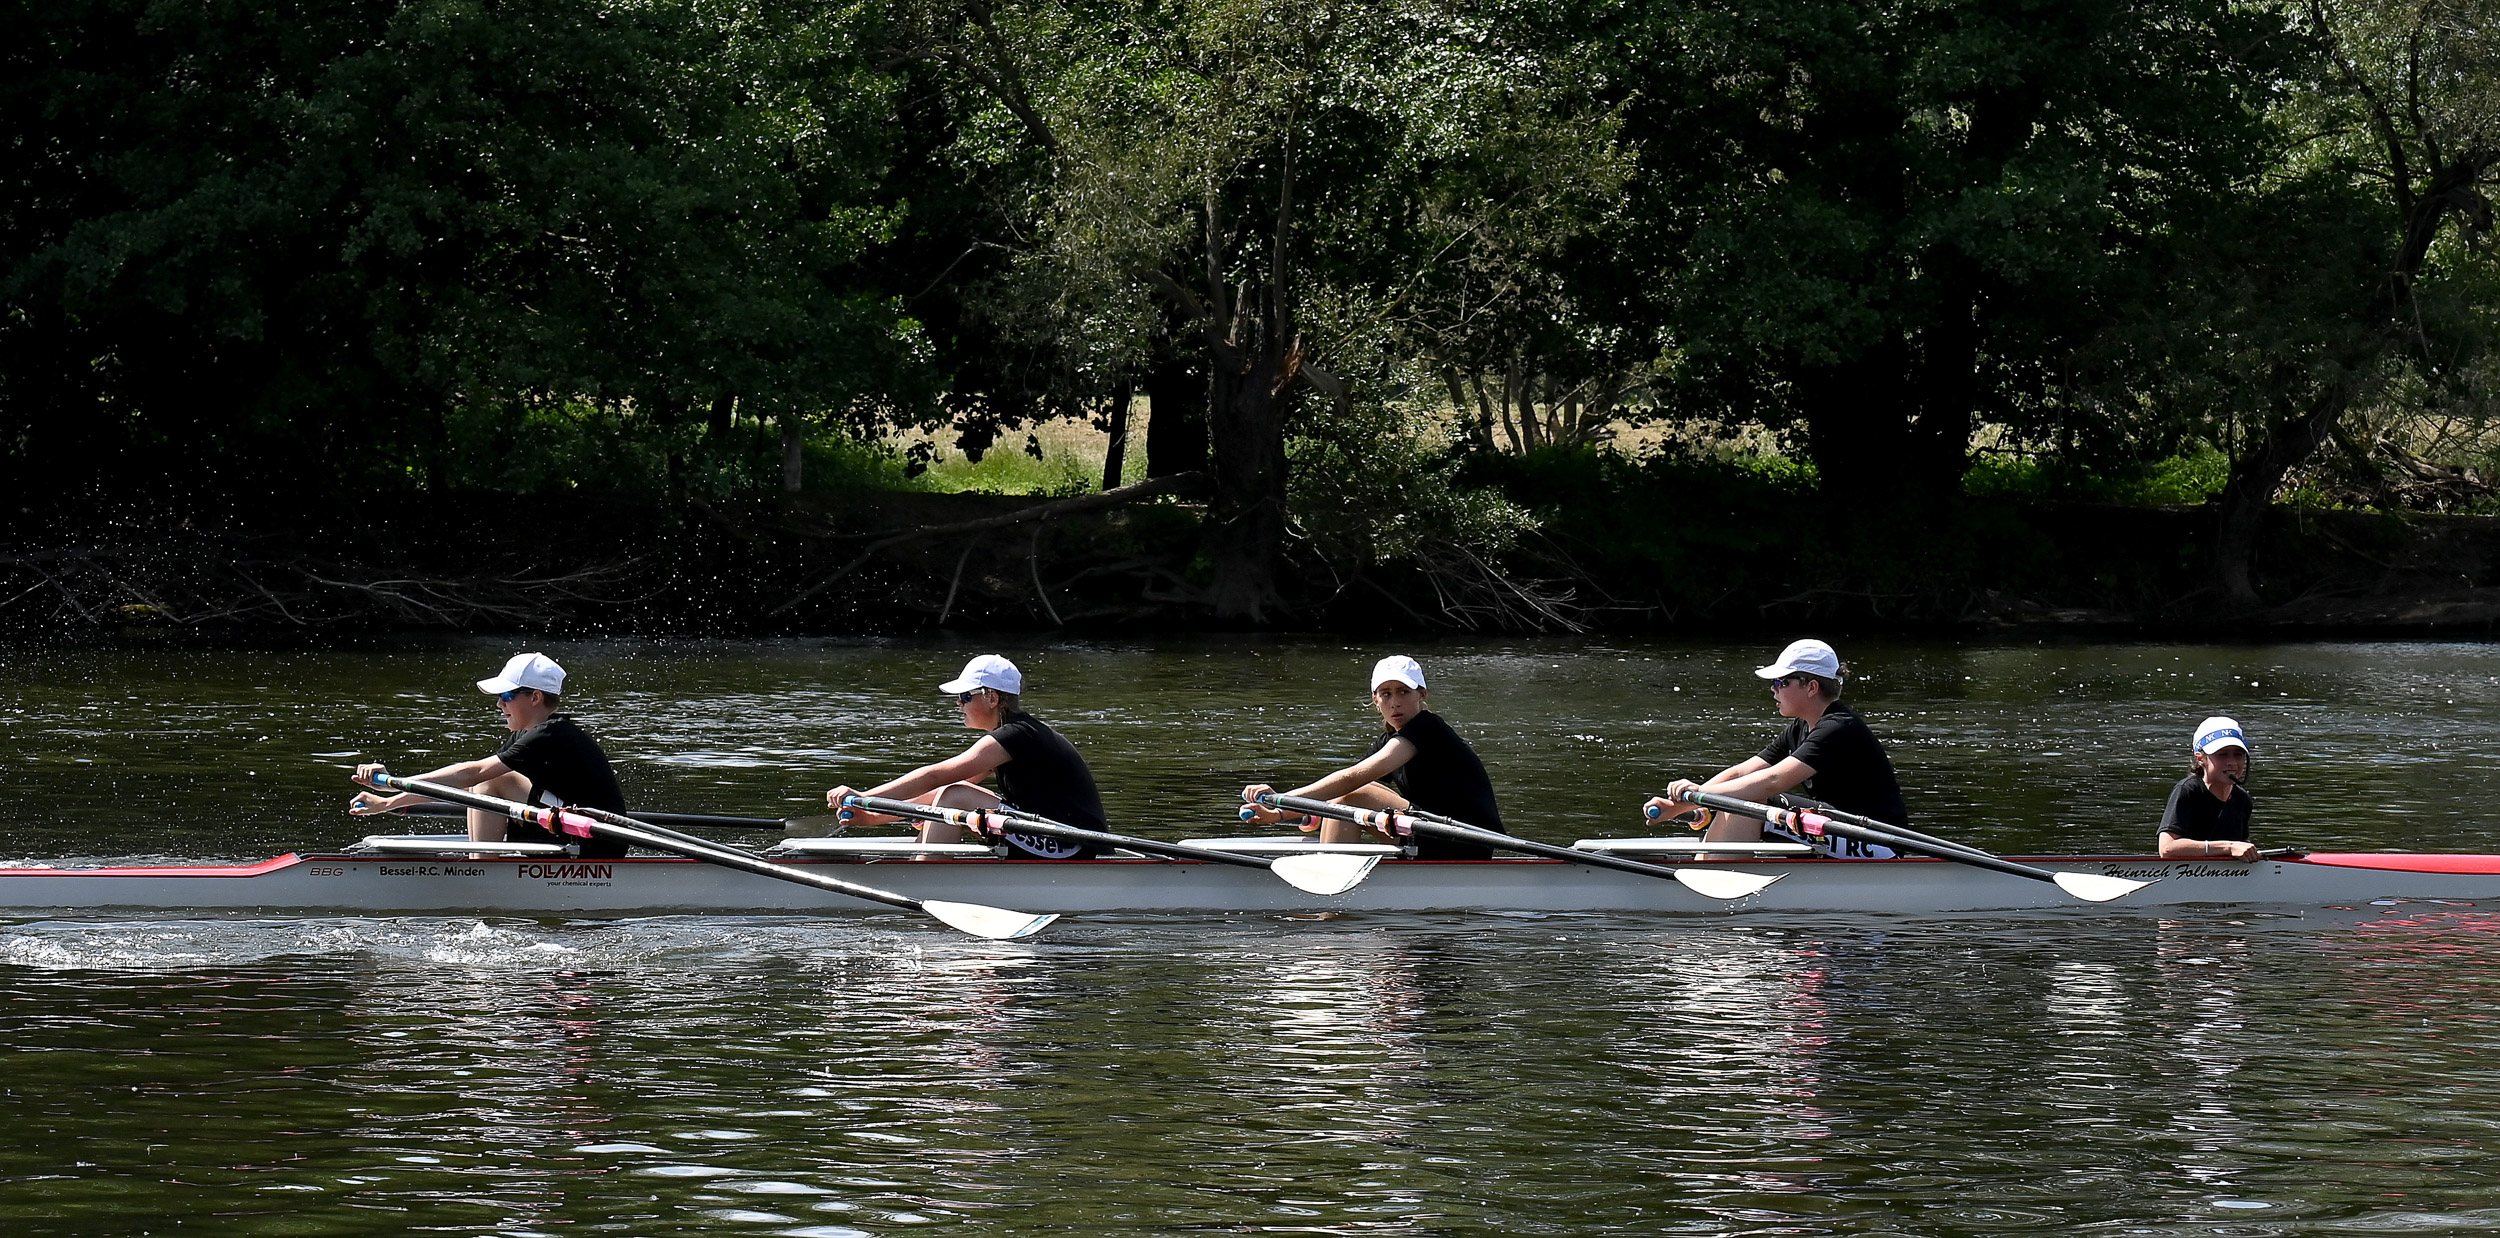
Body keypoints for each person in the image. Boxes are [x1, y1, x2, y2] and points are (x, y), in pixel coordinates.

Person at [348, 652, 631, 860]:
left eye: (506, 696)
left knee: (487, 782)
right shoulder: (529, 735)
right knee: (484, 783)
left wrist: (390, 784)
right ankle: (482, 863)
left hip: (595, 842)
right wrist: (387, 802)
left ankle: (481, 869)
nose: (498, 704)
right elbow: (464, 780)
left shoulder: (551, 735)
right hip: (567, 824)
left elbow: (471, 772)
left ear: (534, 697)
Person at [826, 655, 1107, 859]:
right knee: (949, 793)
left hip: (1071, 842)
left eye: (964, 696)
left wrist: (862, 796)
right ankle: (919, 868)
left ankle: (925, 880)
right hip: (1050, 835)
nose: (958, 704)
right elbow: (935, 792)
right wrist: (875, 816)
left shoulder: (1016, 735)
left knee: (955, 795)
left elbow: (935, 775)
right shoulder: (1017, 736)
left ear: (992, 698)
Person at [1645, 638, 1907, 857]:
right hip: (1837, 831)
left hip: (1876, 843)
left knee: (1750, 796)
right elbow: (1740, 773)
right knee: (1742, 791)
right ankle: (1709, 863)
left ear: (1811, 687)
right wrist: (1682, 804)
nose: (1773, 689)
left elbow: (1772, 781)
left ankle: (1711, 871)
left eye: (1781, 682)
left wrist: (1699, 795)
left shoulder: (1838, 727)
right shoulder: (1800, 727)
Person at [1240, 655, 1507, 860]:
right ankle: (1331, 891)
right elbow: (1340, 788)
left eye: (1404, 691)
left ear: (1421, 695)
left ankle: (1327, 899)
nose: (1395, 702)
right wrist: (1286, 816)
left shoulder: (1429, 728)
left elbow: (1353, 779)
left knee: (1354, 794)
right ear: (1375, 700)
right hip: (1430, 834)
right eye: (1386, 694)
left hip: (1464, 843)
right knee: (1345, 797)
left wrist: (1282, 804)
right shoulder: (1388, 741)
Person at [2158, 716, 2258, 859]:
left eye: (2238, 754)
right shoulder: (2187, 791)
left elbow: (2241, 847)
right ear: (2200, 759)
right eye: (2222, 754)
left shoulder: (2243, 800)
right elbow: (2167, 849)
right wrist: (2228, 847)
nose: (2232, 762)